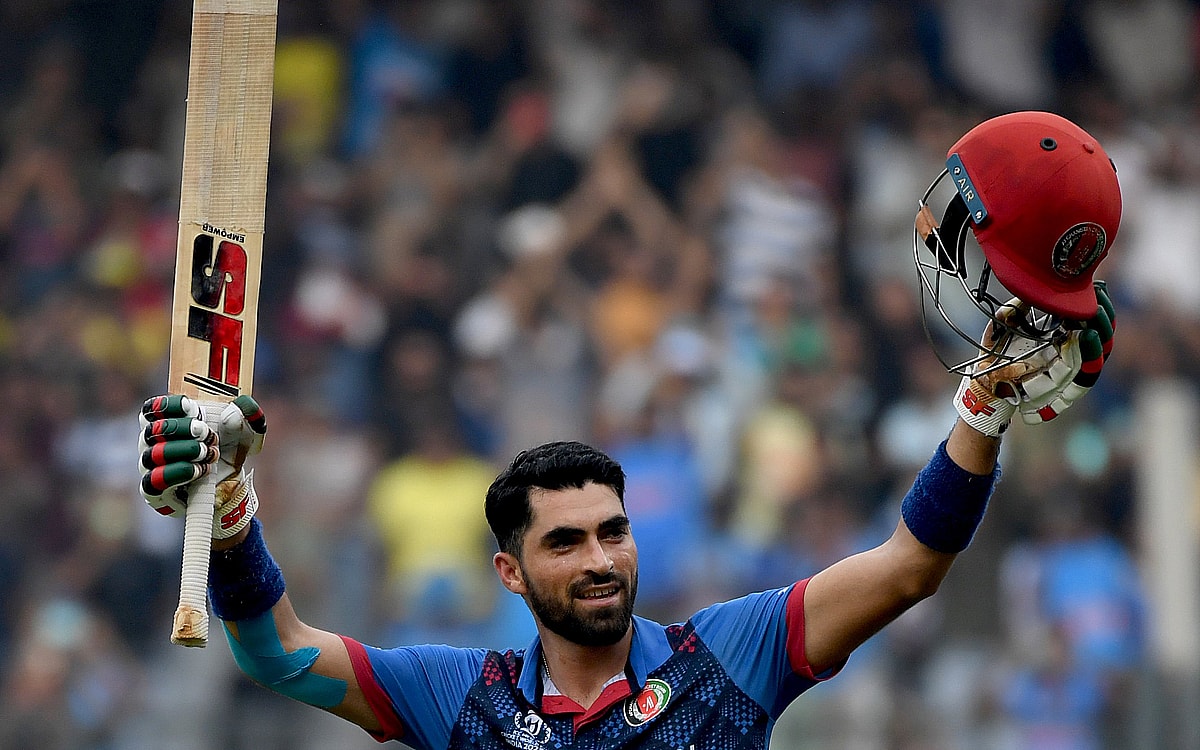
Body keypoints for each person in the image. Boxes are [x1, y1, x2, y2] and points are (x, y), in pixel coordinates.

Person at [136, 111, 1120, 749]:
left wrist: (981, 413)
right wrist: (226, 514)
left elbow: (911, 565)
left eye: (612, 530)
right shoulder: (457, 696)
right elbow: (278, 652)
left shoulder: (730, 656)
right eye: (563, 542)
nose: (599, 556)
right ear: (509, 574)